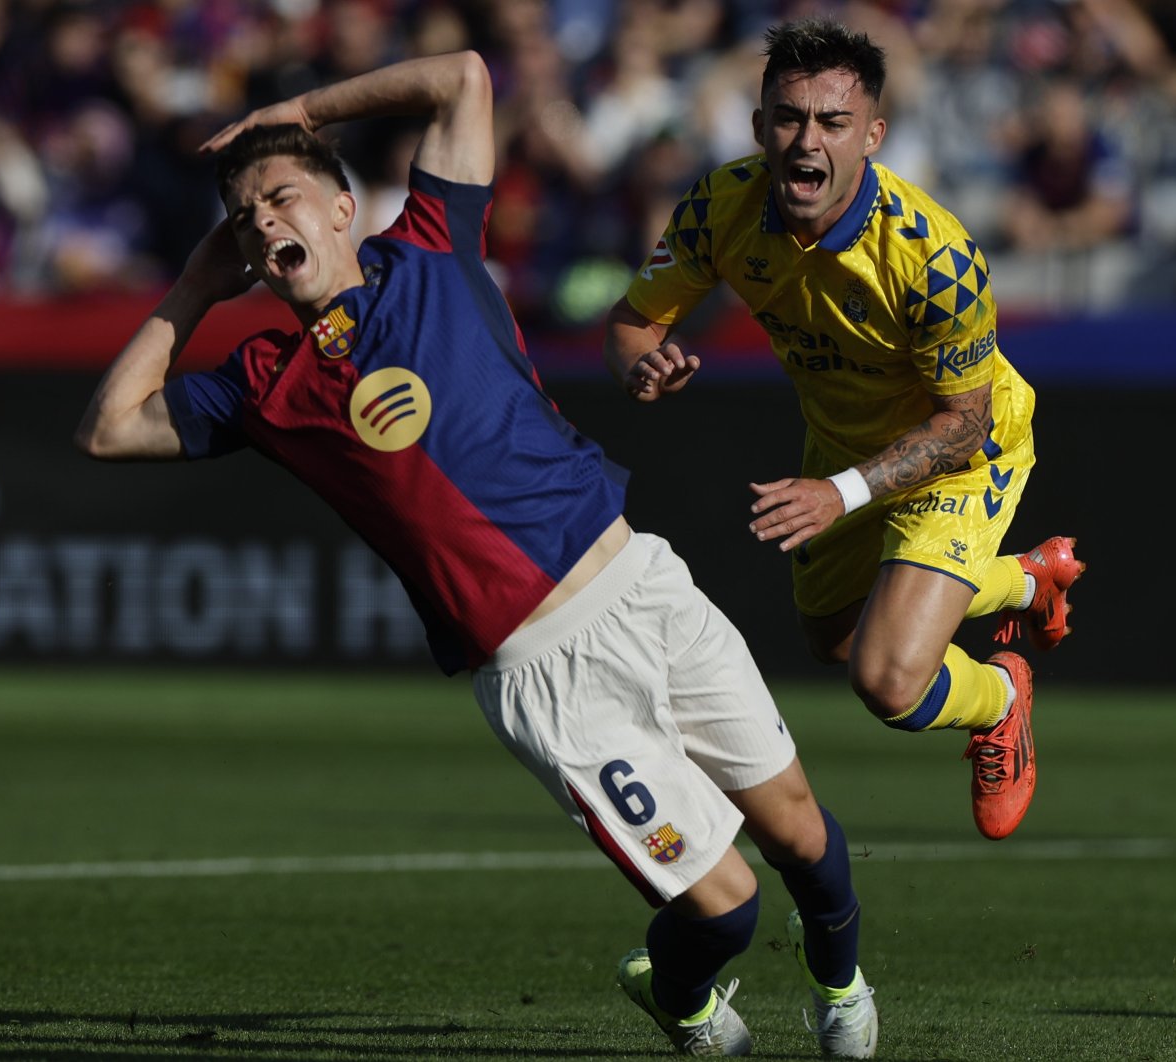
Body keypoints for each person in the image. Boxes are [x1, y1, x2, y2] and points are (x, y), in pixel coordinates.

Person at [76, 50, 878, 1060]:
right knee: (723, 911)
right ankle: (676, 996)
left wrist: (302, 106)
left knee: (802, 836)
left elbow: (461, 77)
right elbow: (107, 427)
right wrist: (196, 280)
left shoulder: (430, 247)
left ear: (340, 206)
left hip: (639, 582)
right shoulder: (257, 381)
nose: (263, 221)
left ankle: (838, 978)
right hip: (543, 672)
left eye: (281, 196)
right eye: (243, 216)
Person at [604, 18, 1086, 843]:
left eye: (832, 123)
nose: (807, 142)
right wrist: (644, 365)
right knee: (832, 641)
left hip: (961, 453)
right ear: (759, 128)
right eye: (788, 118)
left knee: (888, 680)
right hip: (840, 446)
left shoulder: (933, 253)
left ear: (872, 135)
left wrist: (843, 492)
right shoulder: (723, 203)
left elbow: (962, 424)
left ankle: (1002, 698)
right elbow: (633, 320)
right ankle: (1024, 582)